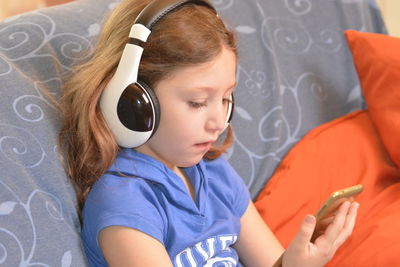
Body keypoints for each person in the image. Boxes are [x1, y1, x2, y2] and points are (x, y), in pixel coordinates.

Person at [58, 0, 360, 266]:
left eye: (227, 98)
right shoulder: (125, 203)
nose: (219, 122)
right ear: (133, 102)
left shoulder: (215, 174)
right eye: (198, 102)